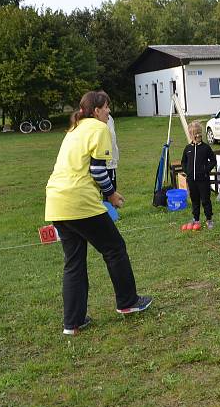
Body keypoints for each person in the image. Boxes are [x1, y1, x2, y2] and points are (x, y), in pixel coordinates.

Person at [45, 90, 152, 336]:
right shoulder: (98, 129)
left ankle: (73, 322)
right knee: (114, 248)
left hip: (56, 202)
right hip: (79, 201)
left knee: (74, 263)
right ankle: (128, 302)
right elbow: (97, 170)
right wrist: (112, 195)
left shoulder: (74, 129)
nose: (109, 112)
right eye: (106, 107)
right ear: (95, 110)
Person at [181, 120, 216, 229]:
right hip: (192, 180)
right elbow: (184, 162)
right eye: (195, 133)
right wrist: (188, 172)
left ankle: (209, 219)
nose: (198, 135)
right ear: (191, 135)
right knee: (194, 200)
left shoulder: (205, 148)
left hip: (203, 180)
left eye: (199, 133)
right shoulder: (188, 149)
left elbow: (213, 160)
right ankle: (196, 219)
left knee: (205, 200)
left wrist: (206, 170)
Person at [105, 113, 119, 196]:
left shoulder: (109, 118)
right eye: (105, 106)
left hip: (110, 163)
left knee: (111, 192)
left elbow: (112, 141)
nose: (108, 110)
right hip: (100, 164)